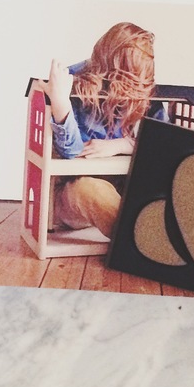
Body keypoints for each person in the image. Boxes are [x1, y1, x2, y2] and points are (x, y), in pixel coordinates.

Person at [36, 22, 167, 238]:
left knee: (161, 180)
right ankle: (144, 243)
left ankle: (158, 238)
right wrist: (60, 103)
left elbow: (163, 144)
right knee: (92, 190)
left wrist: (122, 145)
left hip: (119, 184)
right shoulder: (74, 80)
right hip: (73, 191)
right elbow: (71, 151)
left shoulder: (144, 87)